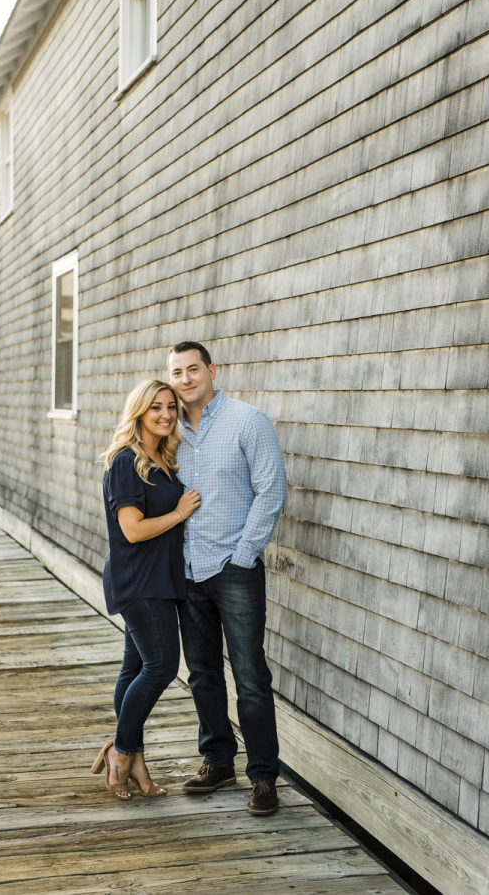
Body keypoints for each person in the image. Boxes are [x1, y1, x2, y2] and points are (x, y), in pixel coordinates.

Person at [168, 341, 287, 815]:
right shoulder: (168, 429)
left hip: (234, 569)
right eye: (177, 372)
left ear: (212, 371)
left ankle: (263, 777)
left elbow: (271, 489)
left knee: (250, 675)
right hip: (187, 570)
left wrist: (244, 555)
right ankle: (218, 760)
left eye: (193, 369)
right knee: (200, 673)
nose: (185, 379)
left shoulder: (247, 420)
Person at [91, 379, 200, 800]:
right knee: (162, 667)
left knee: (133, 669)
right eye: (156, 407)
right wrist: (179, 512)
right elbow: (132, 530)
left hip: (159, 578)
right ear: (138, 412)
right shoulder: (125, 461)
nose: (166, 414)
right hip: (138, 579)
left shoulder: (162, 456)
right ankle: (121, 749)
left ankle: (135, 758)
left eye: (171, 407)